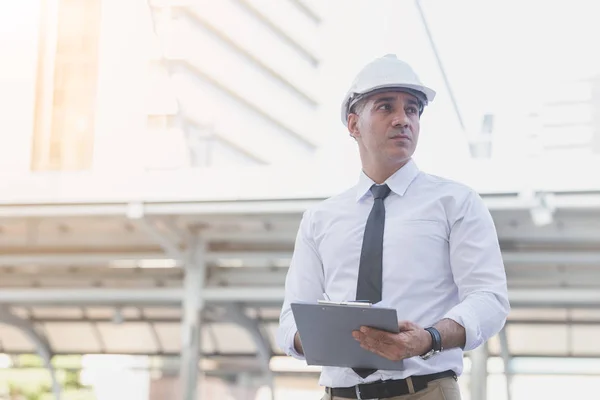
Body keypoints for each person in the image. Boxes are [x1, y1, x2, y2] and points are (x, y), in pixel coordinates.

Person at [276, 54, 510, 400]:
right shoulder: (320, 219)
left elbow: (489, 299)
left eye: (412, 109)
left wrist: (428, 338)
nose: (403, 120)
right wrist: (334, 339)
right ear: (354, 125)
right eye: (386, 107)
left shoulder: (456, 202)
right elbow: (290, 322)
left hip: (425, 391)